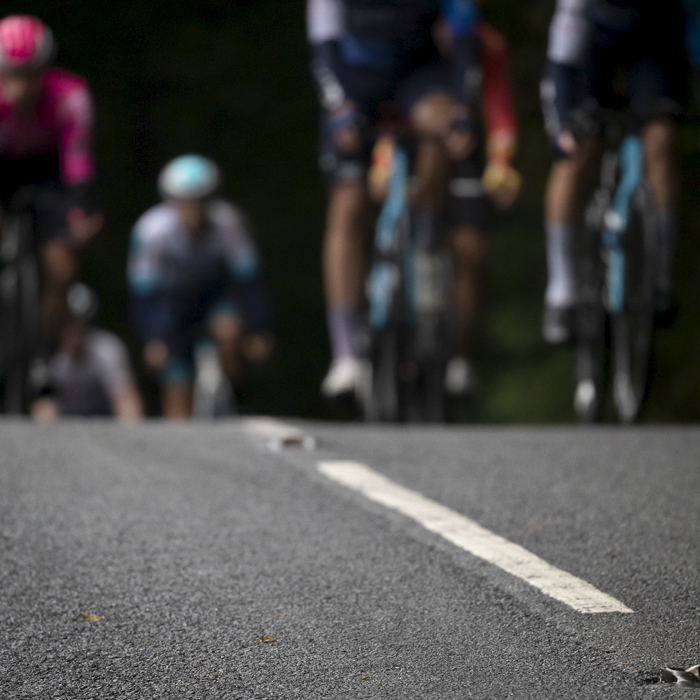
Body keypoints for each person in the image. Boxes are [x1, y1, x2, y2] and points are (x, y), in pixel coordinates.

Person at [307, 0, 520, 400]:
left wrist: (460, 110)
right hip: (354, 79)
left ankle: (424, 245)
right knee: (348, 206)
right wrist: (340, 108)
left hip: (418, 74)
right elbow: (323, 49)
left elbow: (465, 42)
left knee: (442, 128)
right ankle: (346, 355)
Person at [540, 0, 686, 343]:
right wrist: (561, 127)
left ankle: (660, 278)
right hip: (591, 51)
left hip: (653, 41)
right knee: (575, 152)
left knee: (661, 141)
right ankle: (561, 291)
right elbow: (559, 66)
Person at [127, 154, 273, 420]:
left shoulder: (229, 224)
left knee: (228, 331)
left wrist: (257, 329)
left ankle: (239, 396)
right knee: (176, 392)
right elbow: (143, 292)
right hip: (171, 305)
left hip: (215, 297)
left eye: (201, 201)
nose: (194, 209)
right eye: (185, 202)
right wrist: (152, 339)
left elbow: (249, 280)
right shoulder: (151, 231)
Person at [0, 15, 103, 341]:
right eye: (11, 76)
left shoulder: (70, 95)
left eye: (30, 76)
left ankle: (44, 348)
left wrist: (79, 213)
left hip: (49, 173)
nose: (20, 88)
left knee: (63, 269)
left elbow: (78, 161)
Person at [30, 283, 143, 421]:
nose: (75, 327)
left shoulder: (108, 349)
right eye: (69, 320)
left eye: (82, 321)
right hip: (64, 423)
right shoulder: (46, 355)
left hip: (104, 420)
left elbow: (127, 403)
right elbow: (42, 409)